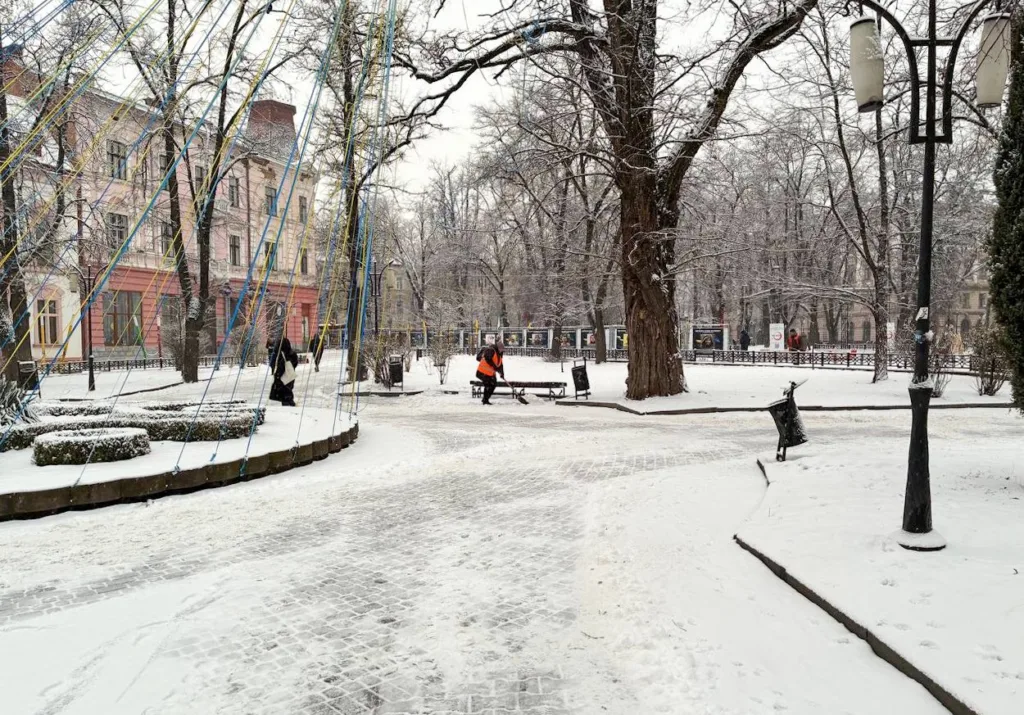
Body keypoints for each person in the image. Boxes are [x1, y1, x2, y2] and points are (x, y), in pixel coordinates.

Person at [268, 336, 298, 406]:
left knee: (283, 393)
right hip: (290, 375)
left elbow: (273, 364)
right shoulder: (292, 353)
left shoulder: (280, 354)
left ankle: (288, 407)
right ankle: (290, 404)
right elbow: (295, 363)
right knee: (288, 391)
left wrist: (277, 376)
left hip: (281, 376)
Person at [475, 339, 505, 405]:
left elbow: (500, 366)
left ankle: (485, 399)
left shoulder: (499, 356)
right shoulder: (491, 350)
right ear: (498, 348)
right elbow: (487, 358)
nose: (502, 352)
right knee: (488, 385)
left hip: (489, 374)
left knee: (493, 384)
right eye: (501, 350)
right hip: (482, 372)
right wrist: (494, 366)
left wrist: (502, 374)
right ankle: (485, 400)